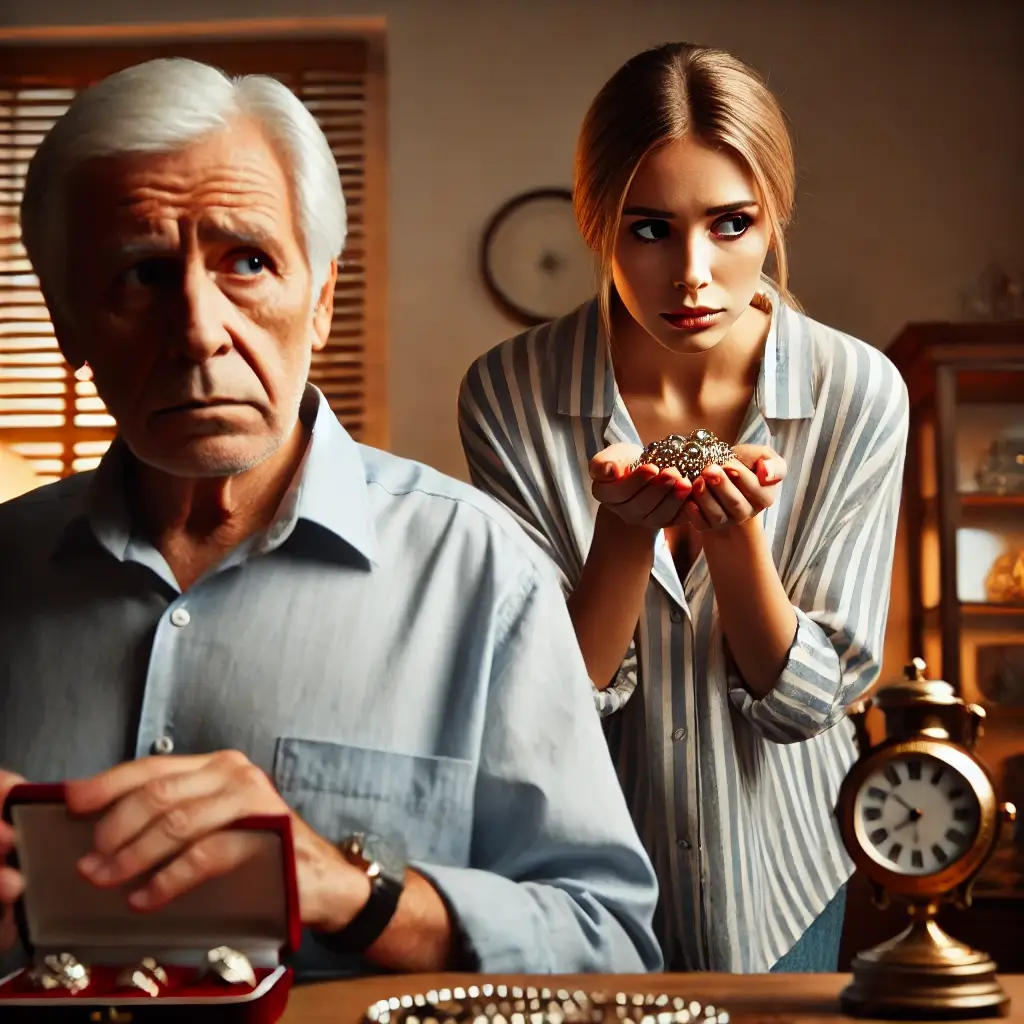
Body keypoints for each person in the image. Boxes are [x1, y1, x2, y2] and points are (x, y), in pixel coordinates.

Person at [0, 57, 663, 982]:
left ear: (319, 302)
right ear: (67, 324)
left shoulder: (478, 572)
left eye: (248, 261)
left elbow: (610, 949)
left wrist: (353, 894)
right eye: (141, 273)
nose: (197, 327)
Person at [459, 42, 909, 973]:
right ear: (596, 223)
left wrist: (739, 540)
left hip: (785, 868)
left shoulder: (860, 391)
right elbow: (549, 701)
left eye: (733, 224)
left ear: (775, 212)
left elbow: (812, 705)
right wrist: (622, 535)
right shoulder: (508, 393)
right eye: (650, 229)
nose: (693, 272)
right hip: (586, 872)